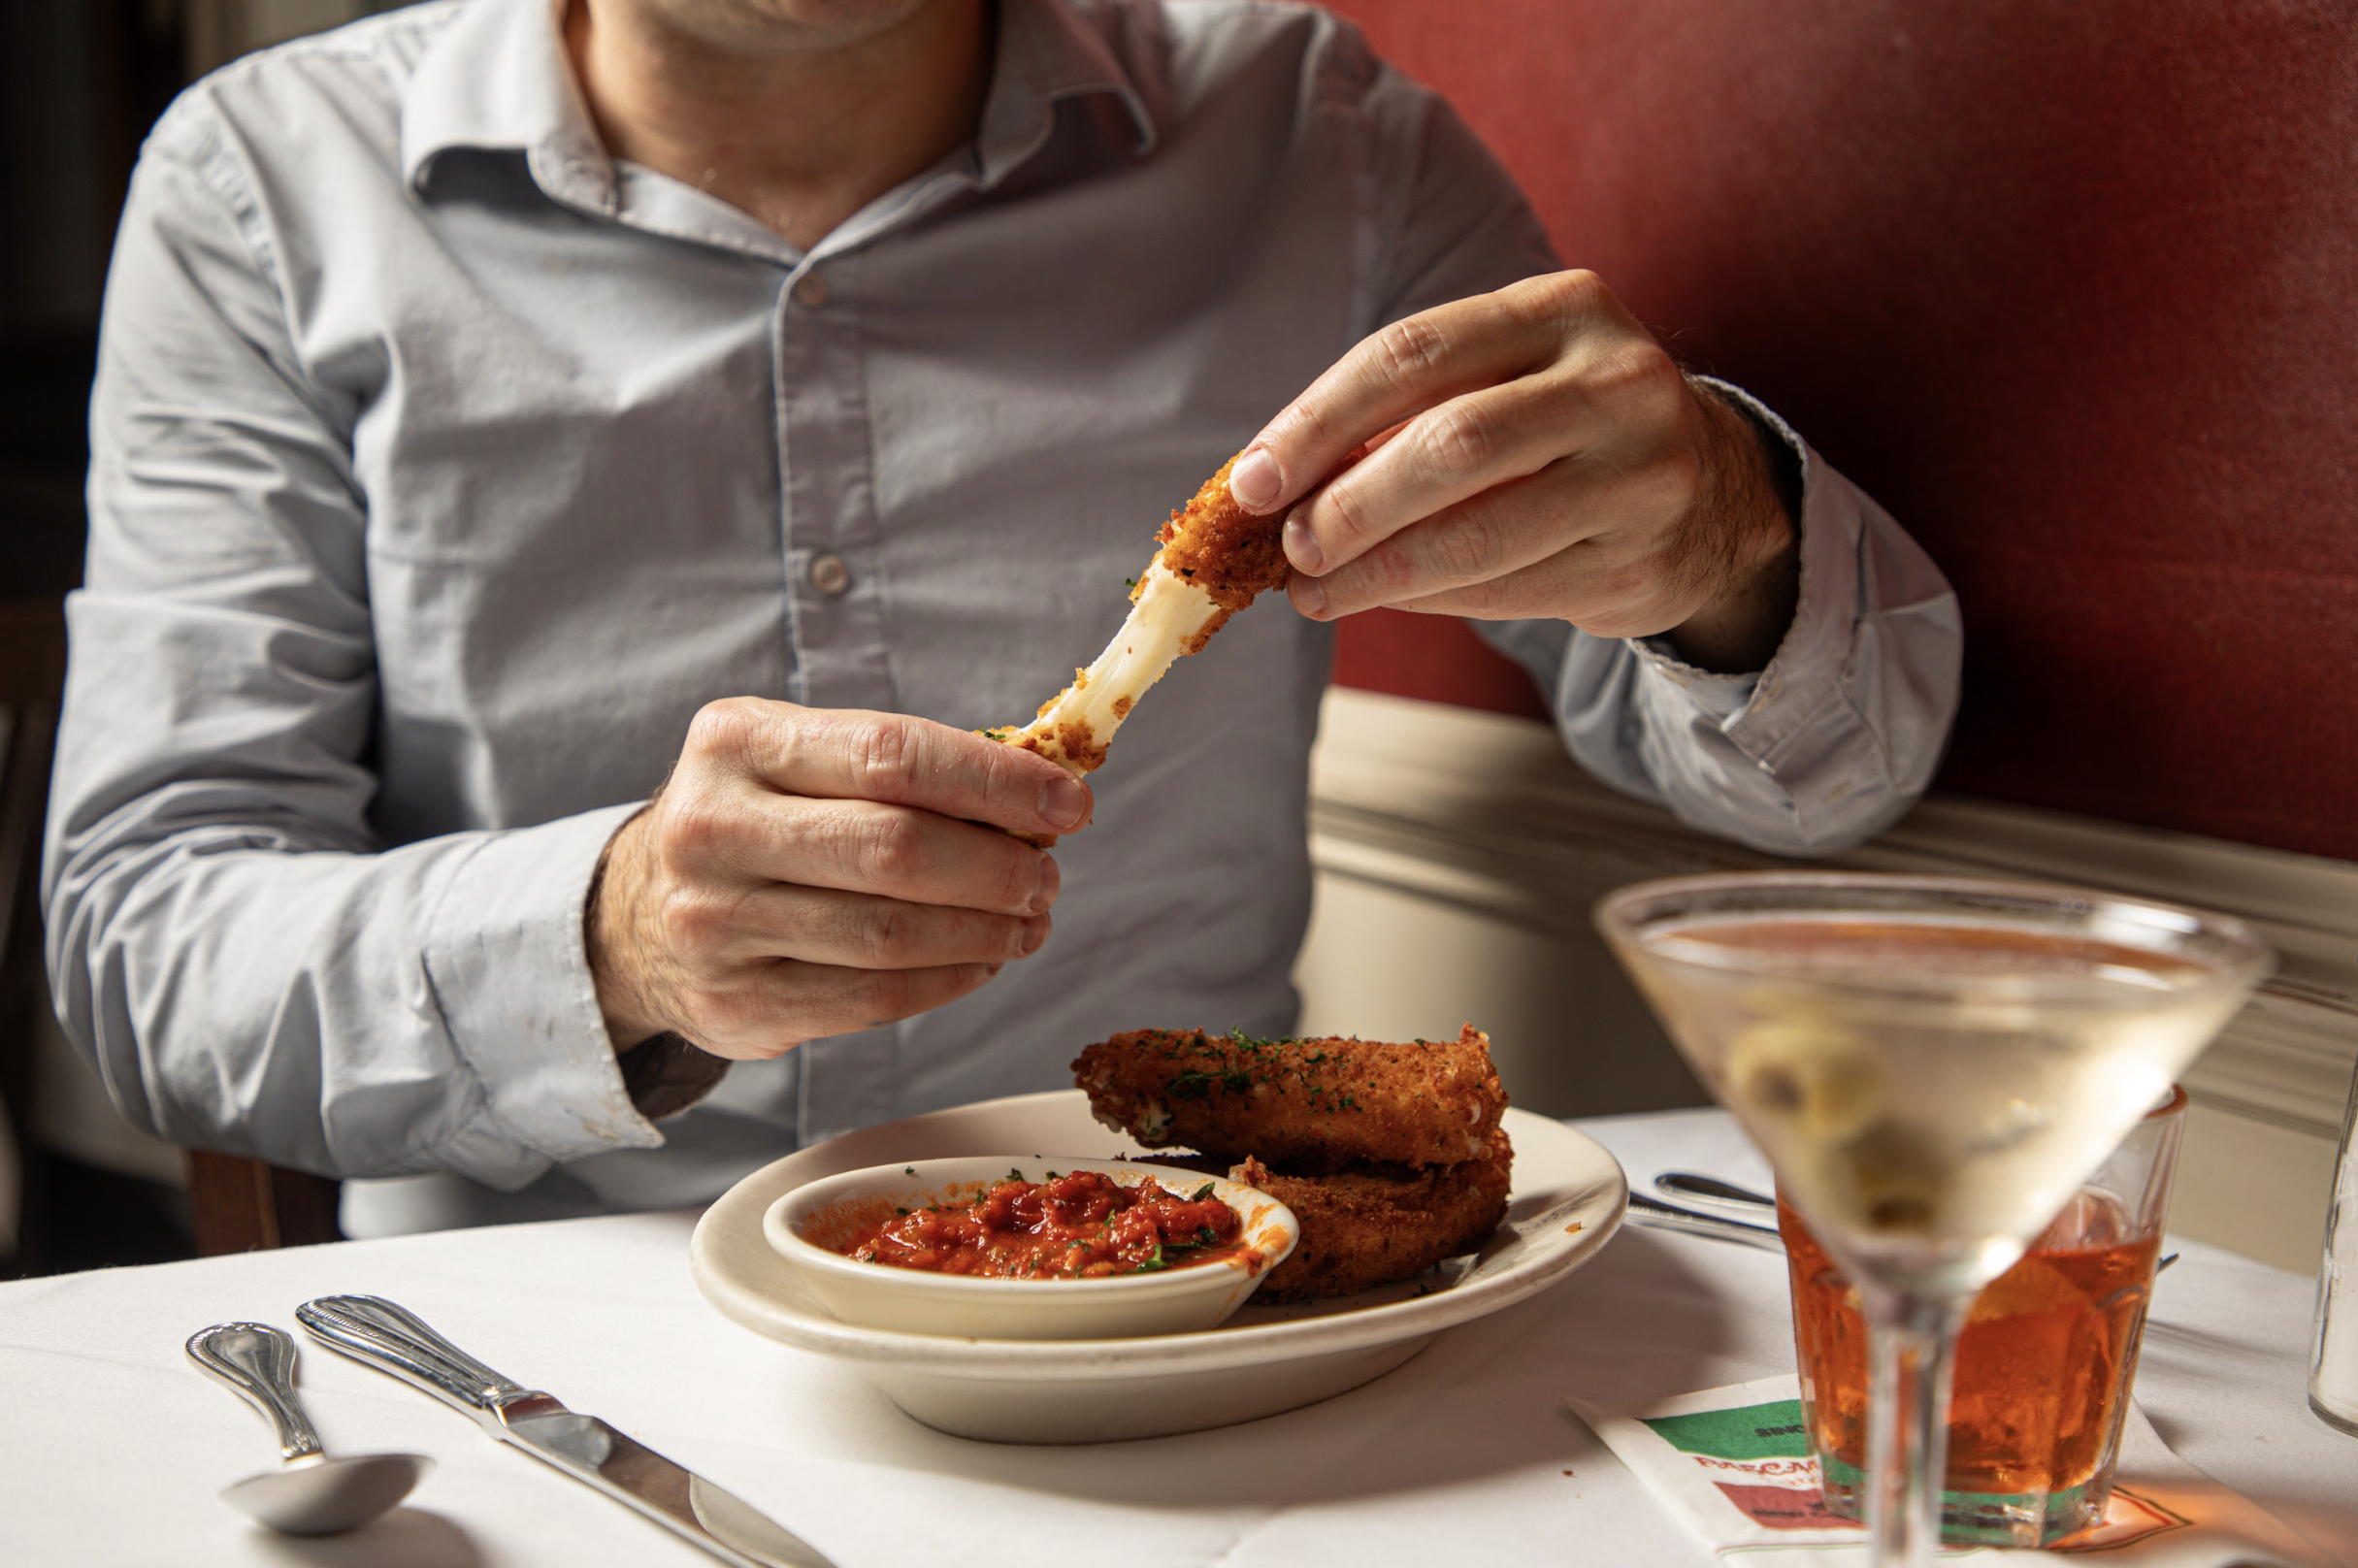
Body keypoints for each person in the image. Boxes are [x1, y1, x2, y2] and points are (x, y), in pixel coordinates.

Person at [44, 0, 1960, 1235]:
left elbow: (1826, 789)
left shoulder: (1332, 145)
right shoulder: (259, 187)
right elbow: (145, 947)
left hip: (1201, 1324)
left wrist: (1727, 544)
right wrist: (615, 937)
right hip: (540, 1368)